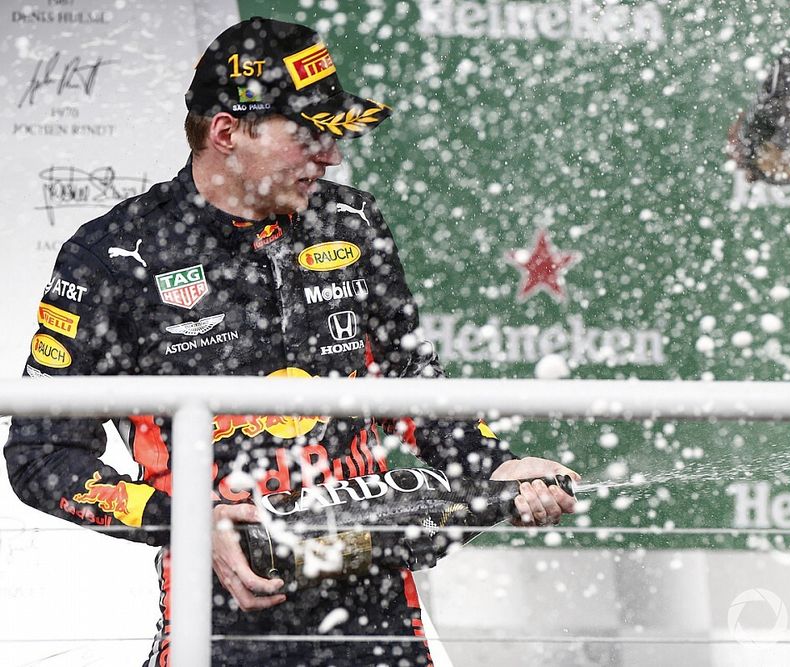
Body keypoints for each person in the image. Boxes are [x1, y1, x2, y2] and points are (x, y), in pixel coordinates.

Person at [4, 16, 578, 667]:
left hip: (373, 611)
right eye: (307, 134)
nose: (329, 156)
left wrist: (491, 465)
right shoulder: (114, 254)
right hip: (222, 619)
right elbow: (41, 454)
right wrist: (184, 519)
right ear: (226, 132)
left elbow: (417, 389)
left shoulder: (352, 222)